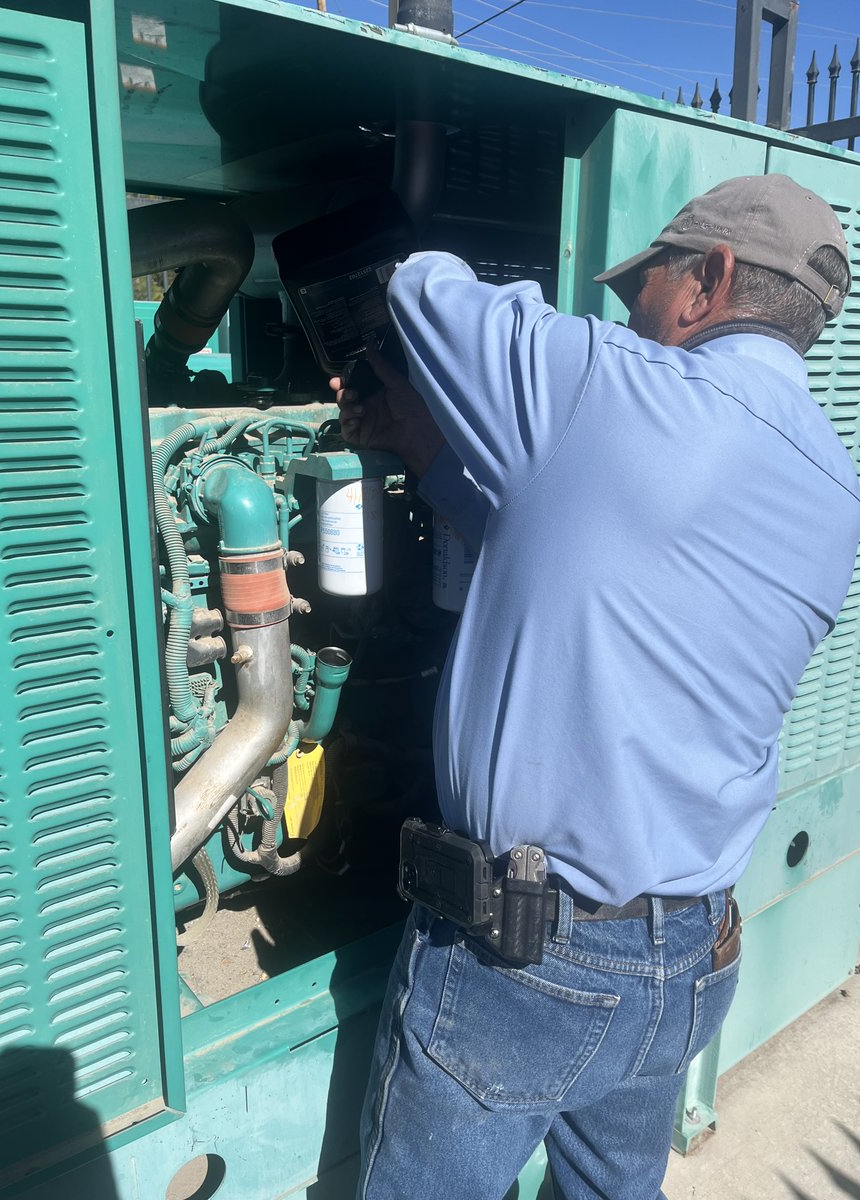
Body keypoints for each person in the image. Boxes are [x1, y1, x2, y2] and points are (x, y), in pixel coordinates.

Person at [332, 174, 860, 1200]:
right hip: (687, 955)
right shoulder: (834, 487)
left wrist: (386, 247)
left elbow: (424, 291)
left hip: (528, 965)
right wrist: (417, 441)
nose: (630, 317)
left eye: (643, 292)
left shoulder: (605, 385)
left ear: (707, 279)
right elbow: (590, 559)